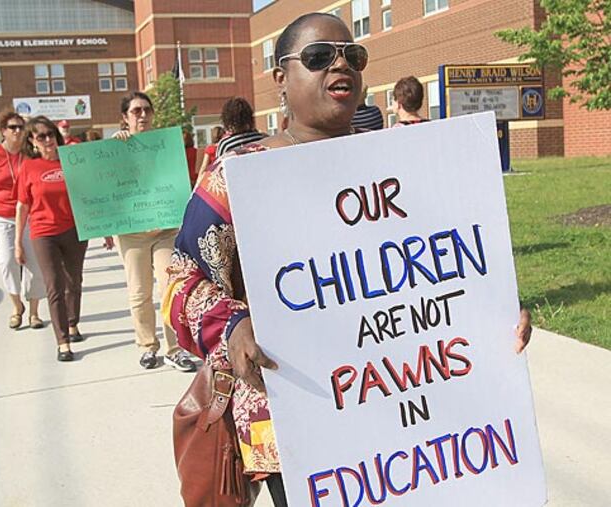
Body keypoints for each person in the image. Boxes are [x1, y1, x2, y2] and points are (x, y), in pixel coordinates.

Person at [163, 13, 534, 506]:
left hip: (412, 415)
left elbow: (451, 262)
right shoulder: (240, 177)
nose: (340, 64)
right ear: (281, 79)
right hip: (299, 420)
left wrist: (495, 312)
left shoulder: (403, 166)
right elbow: (179, 280)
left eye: (352, 56)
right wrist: (232, 330)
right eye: (319, 57)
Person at [111, 91, 196, 373]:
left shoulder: (163, 145)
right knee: (139, 292)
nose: (143, 115)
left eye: (146, 110)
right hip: (132, 232)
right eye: (136, 111)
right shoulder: (115, 147)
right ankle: (148, 346)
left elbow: (175, 180)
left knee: (169, 286)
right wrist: (114, 148)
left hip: (165, 229)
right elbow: (106, 186)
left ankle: (174, 349)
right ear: (125, 118)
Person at [15, 116, 89, 362]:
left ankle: (72, 323)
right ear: (32, 142)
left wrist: (104, 228)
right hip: (44, 233)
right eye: (41, 136)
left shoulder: (72, 160)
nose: (47, 140)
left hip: (74, 231)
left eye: (50, 134)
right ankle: (62, 342)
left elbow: (89, 194)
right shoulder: (28, 167)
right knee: (54, 284)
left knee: (73, 280)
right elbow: (22, 206)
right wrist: (17, 242)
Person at [0, 108, 46, 330]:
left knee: (35, 263)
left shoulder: (30, 153)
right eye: (12, 127)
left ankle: (34, 312)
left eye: (20, 127)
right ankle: (17, 307)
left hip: (29, 215)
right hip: (2, 216)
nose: (17, 131)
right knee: (7, 261)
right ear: (2, 131)